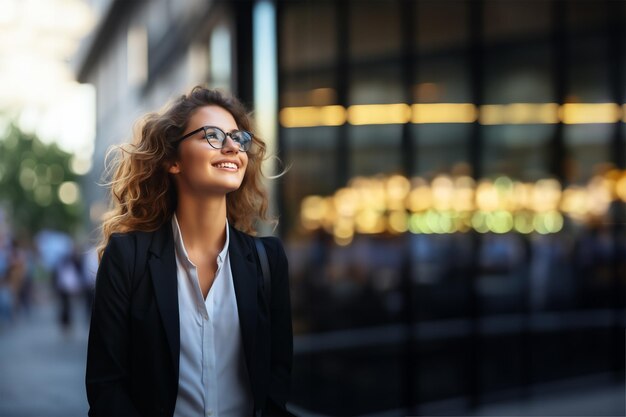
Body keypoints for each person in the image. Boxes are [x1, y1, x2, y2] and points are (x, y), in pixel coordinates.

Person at [86, 87, 294, 417]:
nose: (231, 147)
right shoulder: (127, 257)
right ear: (172, 161)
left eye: (238, 138)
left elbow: (277, 377)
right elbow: (106, 386)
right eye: (211, 135)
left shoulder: (269, 260)